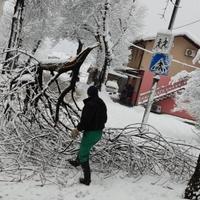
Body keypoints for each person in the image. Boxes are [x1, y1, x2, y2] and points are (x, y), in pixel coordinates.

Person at [69, 85, 107, 186]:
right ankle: (77, 162)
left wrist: (77, 129)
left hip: (91, 133)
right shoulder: (102, 103)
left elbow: (85, 121)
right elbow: (105, 119)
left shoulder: (90, 105)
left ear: (89, 93)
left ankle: (87, 179)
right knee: (84, 147)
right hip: (98, 133)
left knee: (83, 154)